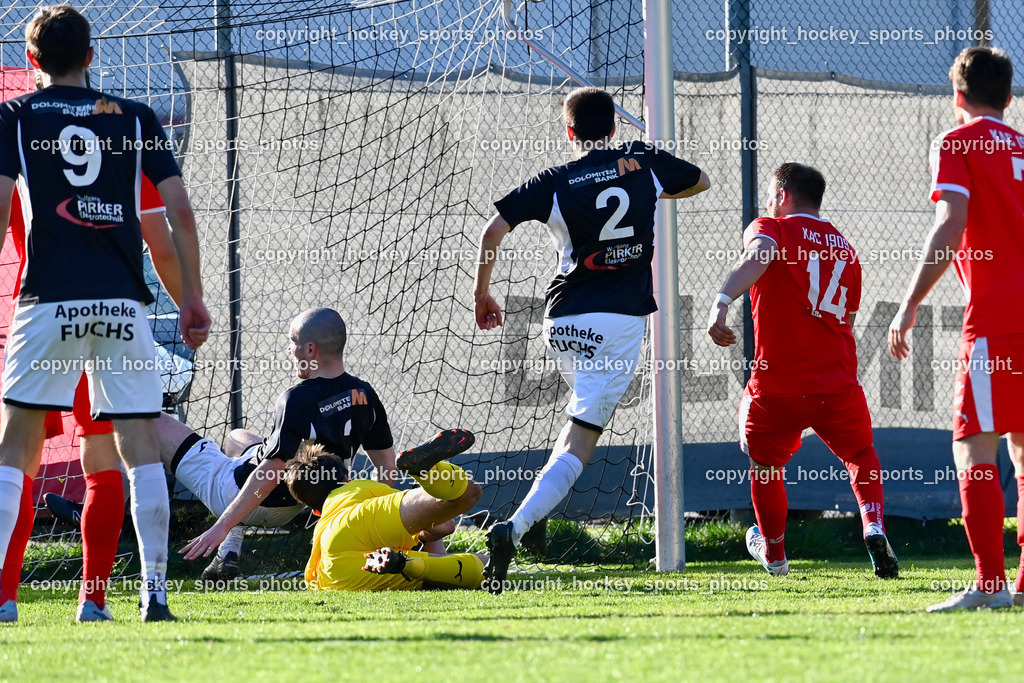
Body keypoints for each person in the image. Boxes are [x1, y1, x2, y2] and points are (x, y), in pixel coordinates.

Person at [0, 6, 210, 623]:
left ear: (32, 61)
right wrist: (191, 297)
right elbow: (177, 218)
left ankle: (3, 601)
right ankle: (148, 596)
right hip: (120, 307)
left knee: (17, 448)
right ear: (93, 57)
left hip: (47, 303)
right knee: (134, 446)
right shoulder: (136, 119)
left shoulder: (14, 117)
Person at [473, 87, 710, 593]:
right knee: (582, 442)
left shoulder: (554, 180)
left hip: (560, 321)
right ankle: (512, 530)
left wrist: (483, 295)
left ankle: (529, 522)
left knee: (575, 423)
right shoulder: (641, 164)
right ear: (615, 128)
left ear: (569, 131)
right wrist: (649, 170)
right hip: (619, 322)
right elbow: (701, 181)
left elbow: (492, 232)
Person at [707, 163, 899, 579]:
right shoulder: (846, 249)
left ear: (781, 195)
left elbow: (757, 257)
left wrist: (722, 300)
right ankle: (874, 523)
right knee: (861, 455)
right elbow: (844, 317)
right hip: (837, 380)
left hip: (778, 385)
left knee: (765, 466)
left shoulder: (771, 228)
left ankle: (775, 556)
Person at [888, 46, 1024, 611]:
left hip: (997, 315)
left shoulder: (955, 142)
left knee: (974, 449)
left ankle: (990, 586)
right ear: (1009, 98)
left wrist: (909, 302)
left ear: (958, 96)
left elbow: (951, 222)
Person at [179, 308, 430, 565]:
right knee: (236, 437)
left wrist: (220, 526)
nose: (290, 350)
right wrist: (370, 515)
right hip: (303, 503)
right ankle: (232, 543)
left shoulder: (296, 398)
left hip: (245, 495)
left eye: (293, 342)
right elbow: (387, 468)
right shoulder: (366, 394)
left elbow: (270, 472)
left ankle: (231, 532)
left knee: (156, 426)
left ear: (310, 350)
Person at [284, 436, 486, 591]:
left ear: (315, 511)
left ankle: (406, 564)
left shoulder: (324, 523)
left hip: (333, 574)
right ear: (346, 479)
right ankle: (429, 471)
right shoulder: (356, 489)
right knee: (469, 494)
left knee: (471, 572)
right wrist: (424, 528)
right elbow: (445, 526)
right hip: (356, 523)